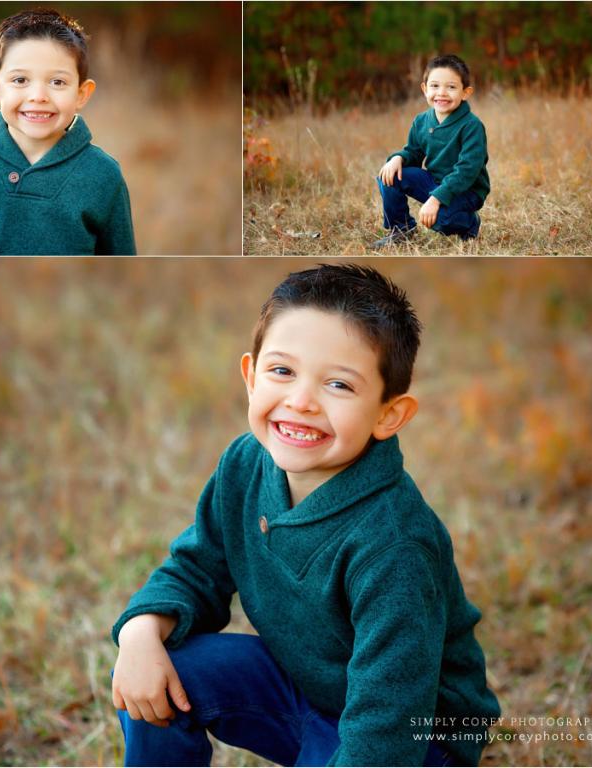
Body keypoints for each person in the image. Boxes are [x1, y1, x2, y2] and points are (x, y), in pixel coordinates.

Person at [110, 263, 500, 766]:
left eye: (338, 385)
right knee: (157, 667)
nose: (300, 402)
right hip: (305, 692)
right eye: (282, 371)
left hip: (410, 741)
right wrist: (139, 633)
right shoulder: (246, 464)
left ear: (388, 414)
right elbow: (196, 569)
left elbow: (390, 718)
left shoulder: (393, 544)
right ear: (251, 376)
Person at [0, 8, 136, 255]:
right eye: (20, 80)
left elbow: (121, 266)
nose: (38, 97)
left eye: (57, 82)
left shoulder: (103, 175)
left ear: (81, 94)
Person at [371, 54, 489, 249]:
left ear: (465, 92)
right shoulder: (421, 121)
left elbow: (467, 170)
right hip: (435, 182)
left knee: (438, 220)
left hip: (466, 191)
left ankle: (469, 223)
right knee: (389, 176)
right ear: (425, 89)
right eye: (434, 86)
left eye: (451, 87)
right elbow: (414, 153)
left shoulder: (471, 126)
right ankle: (401, 230)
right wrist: (398, 158)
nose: (441, 93)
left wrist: (436, 199)